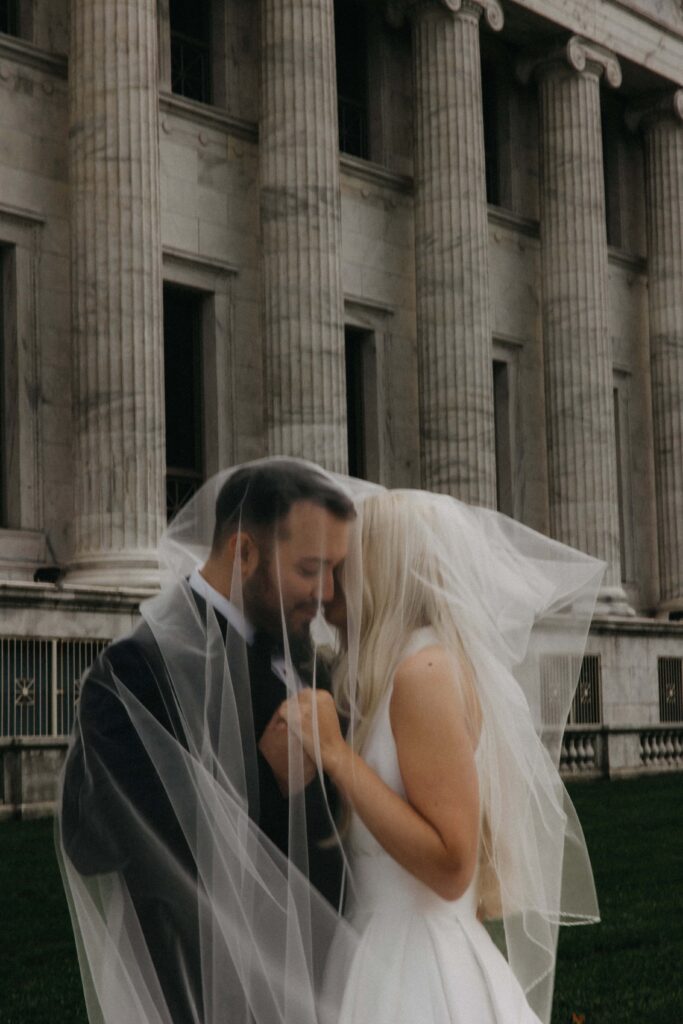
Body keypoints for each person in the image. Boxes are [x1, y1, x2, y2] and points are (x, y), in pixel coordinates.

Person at [281, 488, 605, 1024]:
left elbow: (453, 864)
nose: (328, 588)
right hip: (378, 944)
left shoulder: (423, 673)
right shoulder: (393, 669)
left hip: (416, 962)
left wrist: (338, 757)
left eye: (343, 567)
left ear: (380, 571)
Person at [58, 459, 358, 1024]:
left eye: (335, 571)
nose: (327, 595)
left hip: (331, 980)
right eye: (310, 569)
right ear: (243, 553)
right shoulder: (134, 670)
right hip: (213, 991)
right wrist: (263, 776)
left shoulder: (297, 649)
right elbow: (97, 840)